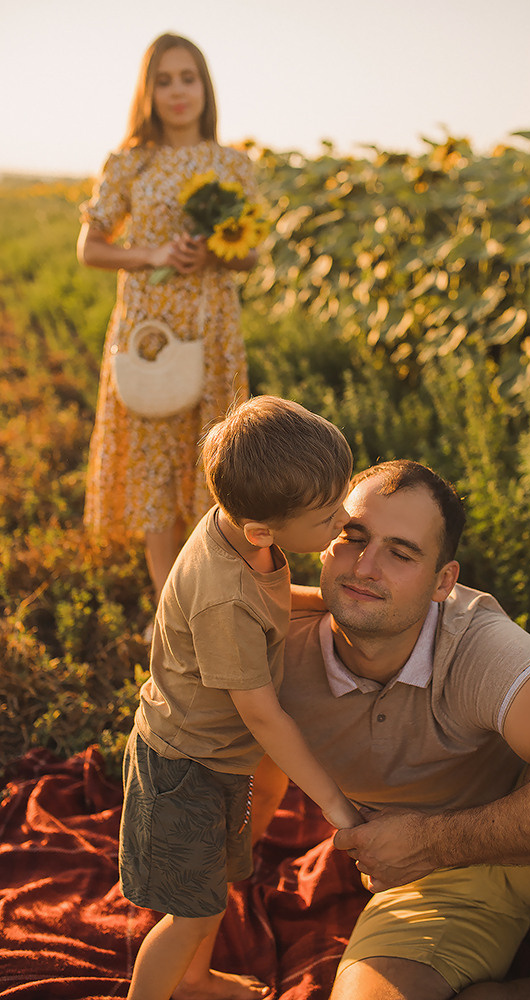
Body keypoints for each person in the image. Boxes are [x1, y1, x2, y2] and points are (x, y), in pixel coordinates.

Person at [260, 458, 530, 1000]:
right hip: (438, 886)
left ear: (442, 582)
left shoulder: (475, 646)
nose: (365, 566)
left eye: (401, 553)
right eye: (352, 538)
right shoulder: (272, 644)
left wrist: (431, 843)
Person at [119, 396, 362, 1000]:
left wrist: (330, 600)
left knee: (211, 889)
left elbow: (272, 600)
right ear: (261, 529)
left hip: (215, 756)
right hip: (187, 767)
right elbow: (261, 714)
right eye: (328, 518)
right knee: (193, 915)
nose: (342, 525)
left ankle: (195, 980)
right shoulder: (223, 597)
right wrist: (332, 802)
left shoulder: (245, 528)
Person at [77, 32, 260, 602]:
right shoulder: (130, 161)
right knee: (156, 471)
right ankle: (169, 612)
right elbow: (91, 247)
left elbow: (251, 253)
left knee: (212, 463)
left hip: (212, 330)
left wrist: (212, 251)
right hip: (150, 331)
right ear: (147, 91)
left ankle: (211, 600)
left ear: (205, 87)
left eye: (188, 78)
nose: (177, 92)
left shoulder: (233, 163)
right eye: (164, 80)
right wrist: (152, 255)